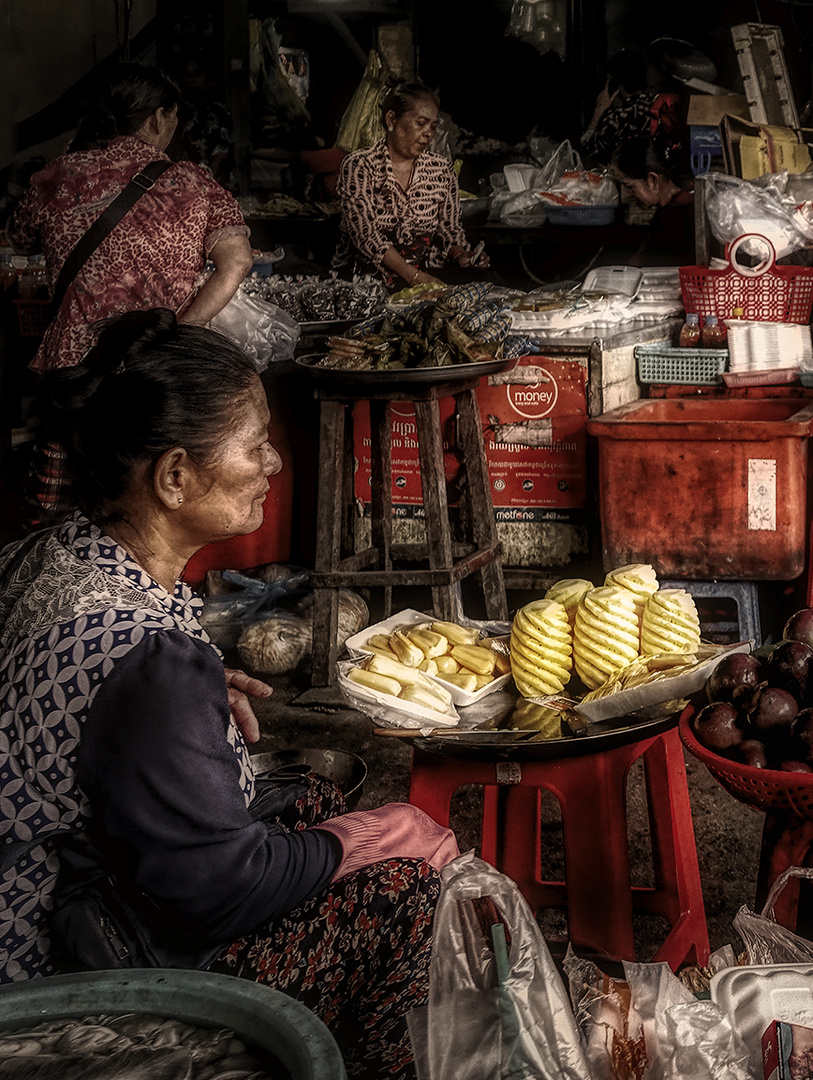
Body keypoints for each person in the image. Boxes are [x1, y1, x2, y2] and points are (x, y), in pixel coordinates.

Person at [0, 311, 458, 1078]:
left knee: (310, 798)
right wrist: (368, 840)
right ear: (174, 475)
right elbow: (216, 894)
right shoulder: (148, 660)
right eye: (254, 446)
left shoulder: (47, 555)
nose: (273, 463)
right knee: (407, 899)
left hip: (65, 891)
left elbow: (81, 706)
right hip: (56, 970)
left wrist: (188, 699)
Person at [6, 63, 251, 374]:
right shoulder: (193, 181)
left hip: (74, 362)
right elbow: (238, 261)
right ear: (157, 117)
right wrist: (183, 330)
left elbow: (20, 239)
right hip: (156, 362)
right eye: (174, 115)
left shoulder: (60, 174)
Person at [334, 82, 487, 287]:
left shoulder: (440, 169)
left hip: (425, 274)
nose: (428, 133)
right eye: (420, 123)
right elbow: (365, 234)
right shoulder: (360, 166)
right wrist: (413, 276)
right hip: (366, 278)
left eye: (433, 126)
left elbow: (449, 229)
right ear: (391, 119)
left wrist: (461, 254)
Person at [581, 48, 684, 167]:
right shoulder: (658, 105)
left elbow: (586, 155)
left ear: (614, 84)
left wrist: (598, 113)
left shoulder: (619, 117)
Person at [614, 131, 696, 255]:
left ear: (653, 180)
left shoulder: (689, 208)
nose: (629, 193)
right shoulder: (668, 206)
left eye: (630, 186)